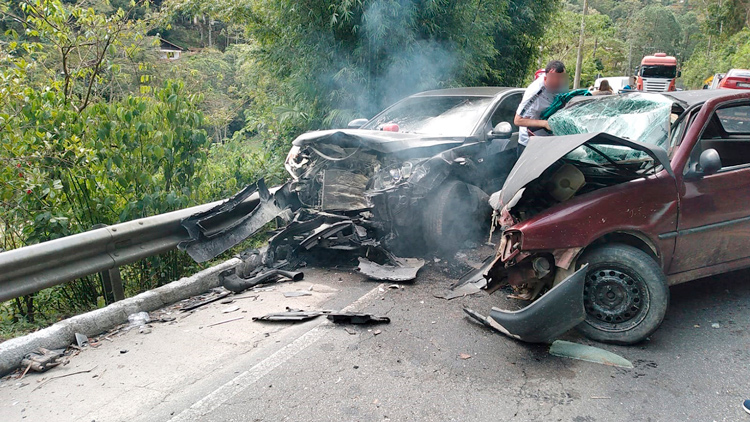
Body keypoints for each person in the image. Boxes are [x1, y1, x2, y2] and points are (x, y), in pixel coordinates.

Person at [514, 60, 568, 159]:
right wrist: (544, 124)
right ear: (546, 78)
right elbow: (517, 120)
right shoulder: (535, 92)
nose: (559, 83)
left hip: (549, 142)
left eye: (561, 79)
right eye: (556, 81)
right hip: (529, 145)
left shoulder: (561, 86)